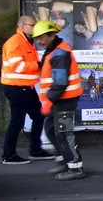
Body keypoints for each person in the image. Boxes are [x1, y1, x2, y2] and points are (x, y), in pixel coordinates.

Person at [32, 20, 86, 180]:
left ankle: (75, 168)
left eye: (42, 37)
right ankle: (65, 160)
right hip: (59, 99)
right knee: (50, 129)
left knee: (63, 133)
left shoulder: (59, 53)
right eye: (37, 38)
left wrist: (48, 101)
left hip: (64, 99)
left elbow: (60, 82)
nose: (39, 41)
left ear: (52, 35)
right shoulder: (53, 50)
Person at [0, 16, 53, 164]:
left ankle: (35, 150)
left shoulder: (27, 42)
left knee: (38, 116)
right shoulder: (14, 42)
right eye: (32, 24)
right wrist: (39, 65)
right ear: (23, 26)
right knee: (17, 122)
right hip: (16, 89)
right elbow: (18, 67)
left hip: (26, 89)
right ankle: (8, 155)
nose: (35, 27)